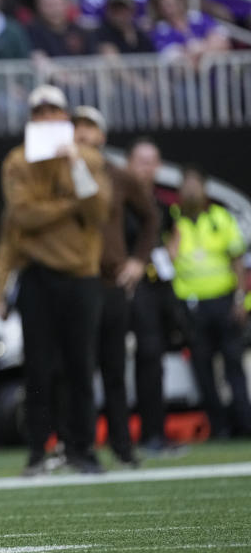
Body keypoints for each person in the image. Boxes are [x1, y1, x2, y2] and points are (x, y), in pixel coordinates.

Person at [2, 85, 111, 476]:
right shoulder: (18, 161)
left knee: (81, 366)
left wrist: (77, 167)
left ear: (64, 118)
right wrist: (70, 206)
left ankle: (84, 449)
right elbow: (23, 216)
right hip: (37, 275)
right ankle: (37, 451)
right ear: (32, 119)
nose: (47, 119)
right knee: (38, 368)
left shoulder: (88, 159)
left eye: (54, 112)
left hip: (81, 275)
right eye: (40, 112)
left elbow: (99, 213)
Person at [72, 107, 158, 467]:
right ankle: (81, 448)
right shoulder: (56, 174)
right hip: (75, 281)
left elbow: (152, 216)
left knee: (113, 368)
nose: (83, 133)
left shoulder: (120, 176)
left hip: (109, 282)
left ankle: (122, 446)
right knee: (77, 369)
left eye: (90, 127)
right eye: (76, 127)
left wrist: (138, 260)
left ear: (102, 136)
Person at [170, 166, 251, 438]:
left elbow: (237, 261)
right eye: (187, 185)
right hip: (192, 307)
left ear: (205, 189)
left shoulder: (220, 217)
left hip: (223, 301)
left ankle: (245, 423)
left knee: (233, 365)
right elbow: (164, 261)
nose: (191, 191)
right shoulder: (172, 220)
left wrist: (240, 300)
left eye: (196, 185)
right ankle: (218, 428)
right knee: (202, 369)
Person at [126, 139, 186, 456]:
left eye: (152, 161)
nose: (147, 168)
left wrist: (169, 256)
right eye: (141, 161)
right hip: (134, 288)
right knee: (146, 354)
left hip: (159, 286)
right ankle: (141, 434)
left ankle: (155, 433)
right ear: (129, 164)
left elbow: (175, 231)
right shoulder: (120, 201)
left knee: (155, 358)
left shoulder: (161, 202)